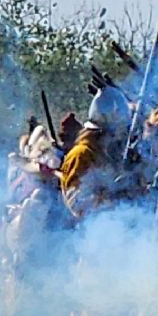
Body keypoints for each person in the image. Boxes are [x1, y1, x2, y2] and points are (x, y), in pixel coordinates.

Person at [60, 85, 131, 218]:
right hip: (85, 231)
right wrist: (113, 198)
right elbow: (77, 204)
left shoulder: (99, 154)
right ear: (103, 133)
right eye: (114, 133)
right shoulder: (81, 155)